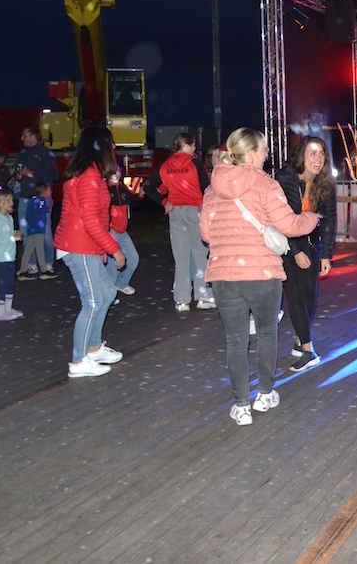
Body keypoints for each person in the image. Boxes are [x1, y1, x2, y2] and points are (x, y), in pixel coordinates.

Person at [201, 128, 321, 426]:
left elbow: (205, 233)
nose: (267, 155)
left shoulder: (212, 187)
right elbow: (290, 225)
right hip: (261, 273)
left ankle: (241, 406)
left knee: (236, 340)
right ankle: (265, 394)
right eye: (264, 150)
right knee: (267, 333)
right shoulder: (266, 185)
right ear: (252, 153)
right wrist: (312, 219)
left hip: (224, 275)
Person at [54, 126, 126, 378]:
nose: (113, 148)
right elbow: (90, 221)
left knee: (107, 293)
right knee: (93, 301)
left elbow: (95, 218)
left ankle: (93, 348)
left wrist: (100, 248)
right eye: (111, 143)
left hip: (87, 245)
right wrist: (114, 249)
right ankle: (78, 361)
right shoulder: (88, 176)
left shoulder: (91, 173)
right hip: (78, 245)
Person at [275, 136, 336, 372]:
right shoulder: (286, 177)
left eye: (321, 154)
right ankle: (309, 351)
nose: (317, 159)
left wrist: (326, 254)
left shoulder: (326, 182)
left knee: (310, 295)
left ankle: (300, 340)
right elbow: (282, 218)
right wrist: (296, 251)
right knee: (296, 294)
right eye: (312, 153)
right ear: (302, 156)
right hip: (288, 242)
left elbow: (329, 220)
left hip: (313, 243)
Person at [144, 132, 215, 312]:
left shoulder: (165, 165)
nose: (194, 149)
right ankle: (203, 296)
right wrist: (205, 204)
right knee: (200, 254)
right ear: (187, 146)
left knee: (181, 256)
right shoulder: (195, 164)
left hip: (175, 211)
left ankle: (182, 300)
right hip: (195, 211)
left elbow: (148, 185)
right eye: (193, 145)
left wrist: (163, 201)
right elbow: (206, 188)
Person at [12, 127, 60, 279]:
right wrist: (19, 175)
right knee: (26, 232)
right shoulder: (23, 153)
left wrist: (32, 174)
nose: (22, 138)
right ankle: (31, 264)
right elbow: (17, 173)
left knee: (45, 233)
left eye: (25, 135)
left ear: (33, 137)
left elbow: (55, 174)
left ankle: (47, 263)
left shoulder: (45, 153)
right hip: (25, 197)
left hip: (41, 199)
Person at [0, 188, 22, 321]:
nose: (12, 203)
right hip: (0, 256)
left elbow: (6, 233)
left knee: (10, 282)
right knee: (4, 282)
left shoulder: (8, 217)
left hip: (9, 255)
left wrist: (15, 233)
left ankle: (8, 308)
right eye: (8, 201)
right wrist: (13, 238)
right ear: (0, 203)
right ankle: (0, 312)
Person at [107, 167, 140, 295]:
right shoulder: (104, 188)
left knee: (133, 258)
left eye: (118, 172)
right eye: (112, 172)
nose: (116, 175)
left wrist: (140, 194)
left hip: (122, 230)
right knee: (114, 262)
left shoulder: (122, 187)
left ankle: (121, 283)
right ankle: (109, 292)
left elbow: (135, 203)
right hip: (111, 229)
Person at [16, 183, 53, 281]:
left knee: (28, 250)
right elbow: (41, 210)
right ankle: (44, 271)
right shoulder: (41, 201)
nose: (50, 192)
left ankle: (23, 270)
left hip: (31, 229)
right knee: (40, 250)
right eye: (49, 190)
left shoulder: (31, 201)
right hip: (39, 230)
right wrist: (48, 209)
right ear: (44, 192)